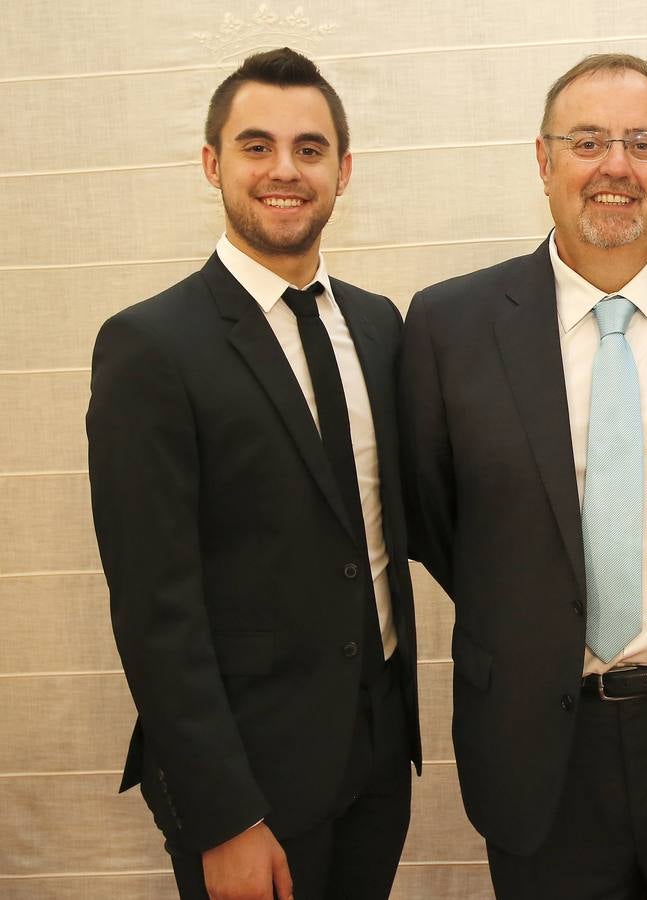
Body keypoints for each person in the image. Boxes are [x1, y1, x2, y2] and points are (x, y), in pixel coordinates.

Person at [399, 53, 647, 898]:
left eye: (642, 142)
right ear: (543, 160)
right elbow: (441, 523)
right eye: (587, 142)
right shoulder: (450, 325)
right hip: (540, 749)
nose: (616, 166)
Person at [86, 48, 420, 900]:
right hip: (250, 784)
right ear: (213, 164)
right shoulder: (150, 347)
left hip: (378, 757)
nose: (284, 170)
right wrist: (223, 815)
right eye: (256, 145)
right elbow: (155, 610)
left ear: (343, 172)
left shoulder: (381, 327)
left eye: (310, 149)